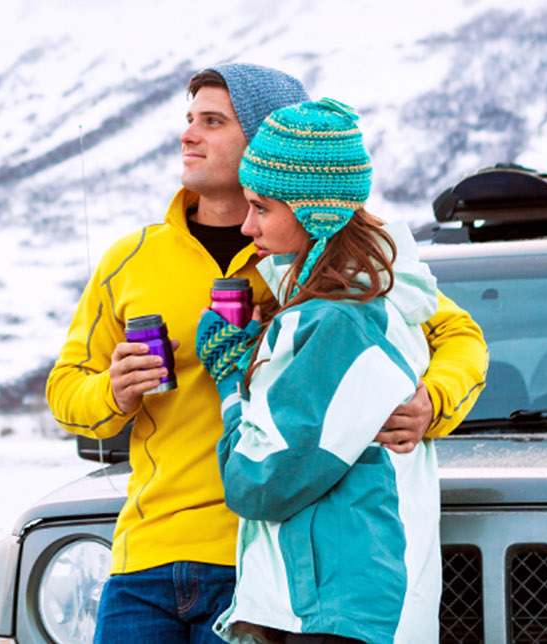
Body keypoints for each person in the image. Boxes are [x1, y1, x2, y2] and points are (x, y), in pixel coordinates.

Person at [46, 64, 487, 643]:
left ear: (261, 138)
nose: (189, 135)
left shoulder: (328, 259)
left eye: (212, 121)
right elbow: (65, 390)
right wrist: (113, 389)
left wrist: (432, 401)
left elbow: (456, 337)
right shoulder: (133, 259)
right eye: (189, 120)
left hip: (263, 562)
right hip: (145, 554)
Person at [196, 98, 441, 643]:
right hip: (338, 603)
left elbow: (261, 481)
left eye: (261, 208)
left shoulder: (336, 323)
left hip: (338, 611)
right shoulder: (358, 308)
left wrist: (232, 384)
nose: (245, 225)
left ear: (316, 214)